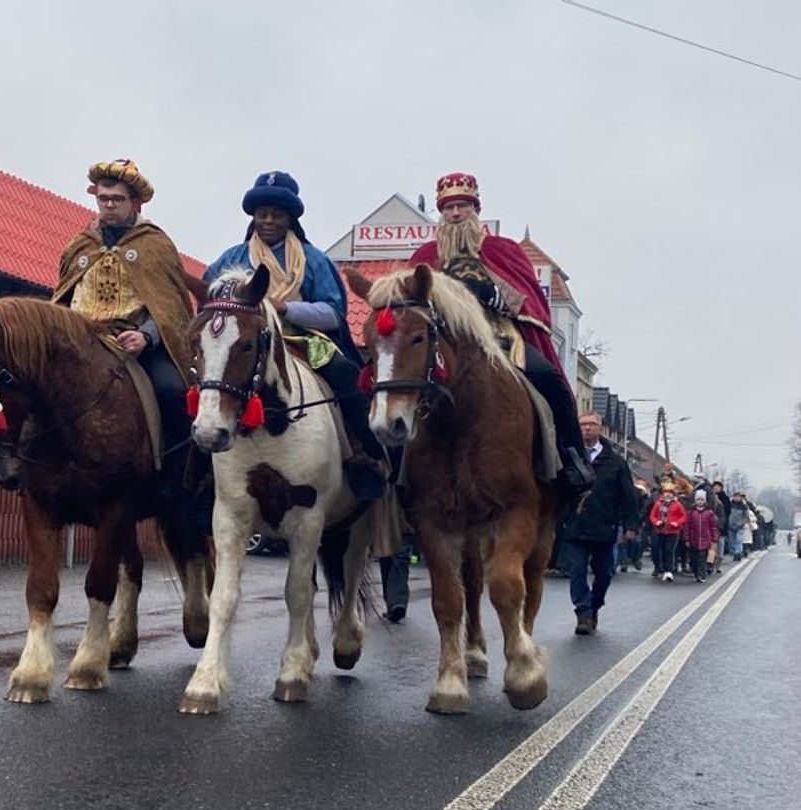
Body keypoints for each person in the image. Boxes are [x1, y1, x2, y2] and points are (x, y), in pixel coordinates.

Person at [205, 170, 385, 500]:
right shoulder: (230, 259)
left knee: (347, 375)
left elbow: (333, 314)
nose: (269, 220)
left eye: (277, 214)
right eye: (262, 214)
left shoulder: (313, 260)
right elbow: (208, 302)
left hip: (302, 341)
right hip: (244, 344)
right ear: (253, 217)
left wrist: (285, 310)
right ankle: (196, 470)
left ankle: (364, 454)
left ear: (290, 218)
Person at [409, 172, 592, 494]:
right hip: (442, 341)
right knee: (396, 385)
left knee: (548, 377)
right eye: (448, 208)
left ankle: (571, 456)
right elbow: (409, 302)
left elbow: (530, 298)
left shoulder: (501, 250)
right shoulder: (425, 257)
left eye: (462, 206)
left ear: (475, 210)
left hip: (498, 337)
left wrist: (496, 294)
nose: (454, 214)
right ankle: (393, 468)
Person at [52, 159, 195, 496]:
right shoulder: (79, 245)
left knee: (174, 391)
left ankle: (175, 479)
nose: (109, 205)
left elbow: (172, 309)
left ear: (136, 203)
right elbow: (61, 296)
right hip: (79, 339)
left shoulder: (156, 245)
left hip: (133, 340)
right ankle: (23, 463)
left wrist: (146, 336)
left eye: (117, 199)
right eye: (104, 199)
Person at [557, 411, 639, 634]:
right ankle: (583, 613)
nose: (586, 429)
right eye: (582, 425)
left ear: (599, 428)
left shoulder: (615, 461)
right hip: (575, 525)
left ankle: (594, 605)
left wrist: (631, 526)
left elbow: (628, 496)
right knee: (577, 571)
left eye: (591, 425)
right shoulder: (570, 458)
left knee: (604, 573)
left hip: (604, 526)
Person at [649, 482, 687, 582]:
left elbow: (683, 516)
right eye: (666, 492)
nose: (668, 494)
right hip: (660, 530)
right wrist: (656, 522)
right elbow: (652, 515)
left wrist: (677, 523)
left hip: (672, 532)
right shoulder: (658, 504)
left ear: (673, 494)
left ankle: (669, 571)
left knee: (669, 551)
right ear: (663, 493)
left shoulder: (677, 504)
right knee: (662, 551)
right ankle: (664, 569)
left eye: (670, 492)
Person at [682, 490, 719, 583]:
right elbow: (687, 526)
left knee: (702, 558)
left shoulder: (709, 513)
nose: (700, 501)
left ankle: (701, 574)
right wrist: (686, 538)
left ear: (705, 501)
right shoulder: (691, 513)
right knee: (694, 558)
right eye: (698, 499)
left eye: (701, 499)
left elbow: (713, 526)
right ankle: (695, 573)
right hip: (693, 539)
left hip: (705, 539)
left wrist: (714, 538)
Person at [711, 480, 731, 570]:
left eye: (718, 487)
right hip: (710, 526)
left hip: (721, 526)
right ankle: (710, 564)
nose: (716, 488)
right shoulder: (709, 497)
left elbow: (728, 512)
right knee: (711, 547)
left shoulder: (725, 499)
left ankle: (718, 565)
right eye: (714, 486)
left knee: (720, 545)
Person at [728, 492, 750, 561]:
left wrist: (742, 523)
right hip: (730, 526)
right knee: (732, 541)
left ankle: (738, 553)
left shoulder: (744, 507)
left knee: (739, 540)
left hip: (739, 526)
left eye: (738, 497)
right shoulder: (729, 505)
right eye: (735, 497)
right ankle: (735, 552)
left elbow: (746, 517)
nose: (737, 498)